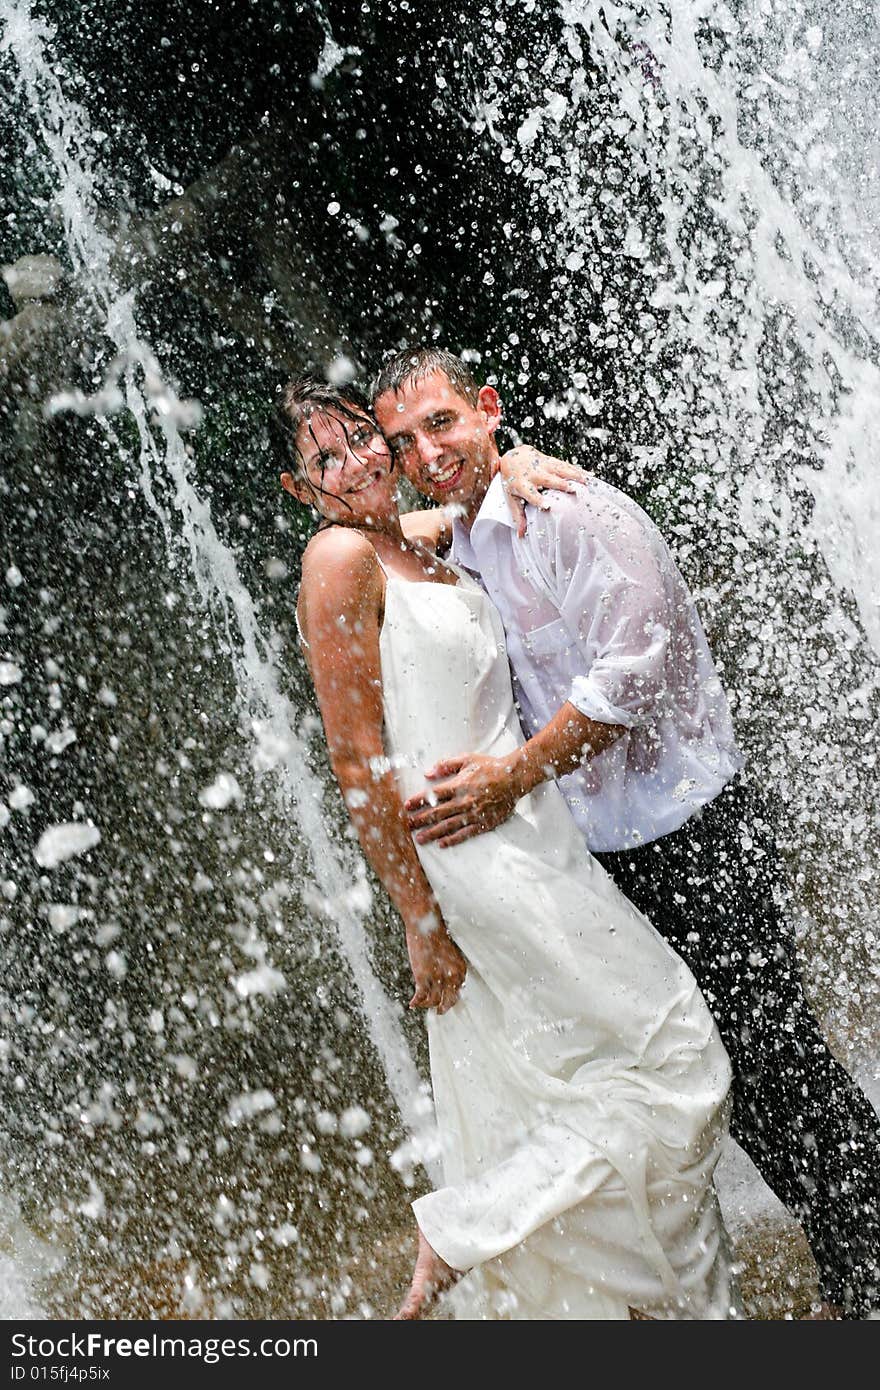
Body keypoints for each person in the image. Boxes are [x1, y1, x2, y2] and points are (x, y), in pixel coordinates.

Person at [371, 346, 880, 1319]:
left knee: (774, 1060)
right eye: (402, 442)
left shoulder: (570, 512)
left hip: (692, 830)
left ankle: (864, 1269)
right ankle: (848, 1265)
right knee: (713, 1073)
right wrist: (458, 485)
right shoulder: (470, 530)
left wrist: (513, 773)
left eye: (441, 423)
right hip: (606, 855)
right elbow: (367, 538)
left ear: (488, 406)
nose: (425, 451)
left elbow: (631, 675)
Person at [279, 377, 737, 1320]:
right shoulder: (337, 558)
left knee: (571, 1075)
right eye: (326, 459)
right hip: (469, 847)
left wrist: (515, 456)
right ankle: (465, 1224)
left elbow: (472, 494)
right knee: (679, 1052)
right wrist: (419, 917)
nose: (362, 462)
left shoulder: (416, 543)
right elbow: (355, 757)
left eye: (366, 440)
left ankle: (638, 1302)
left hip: (533, 827)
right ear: (300, 490)